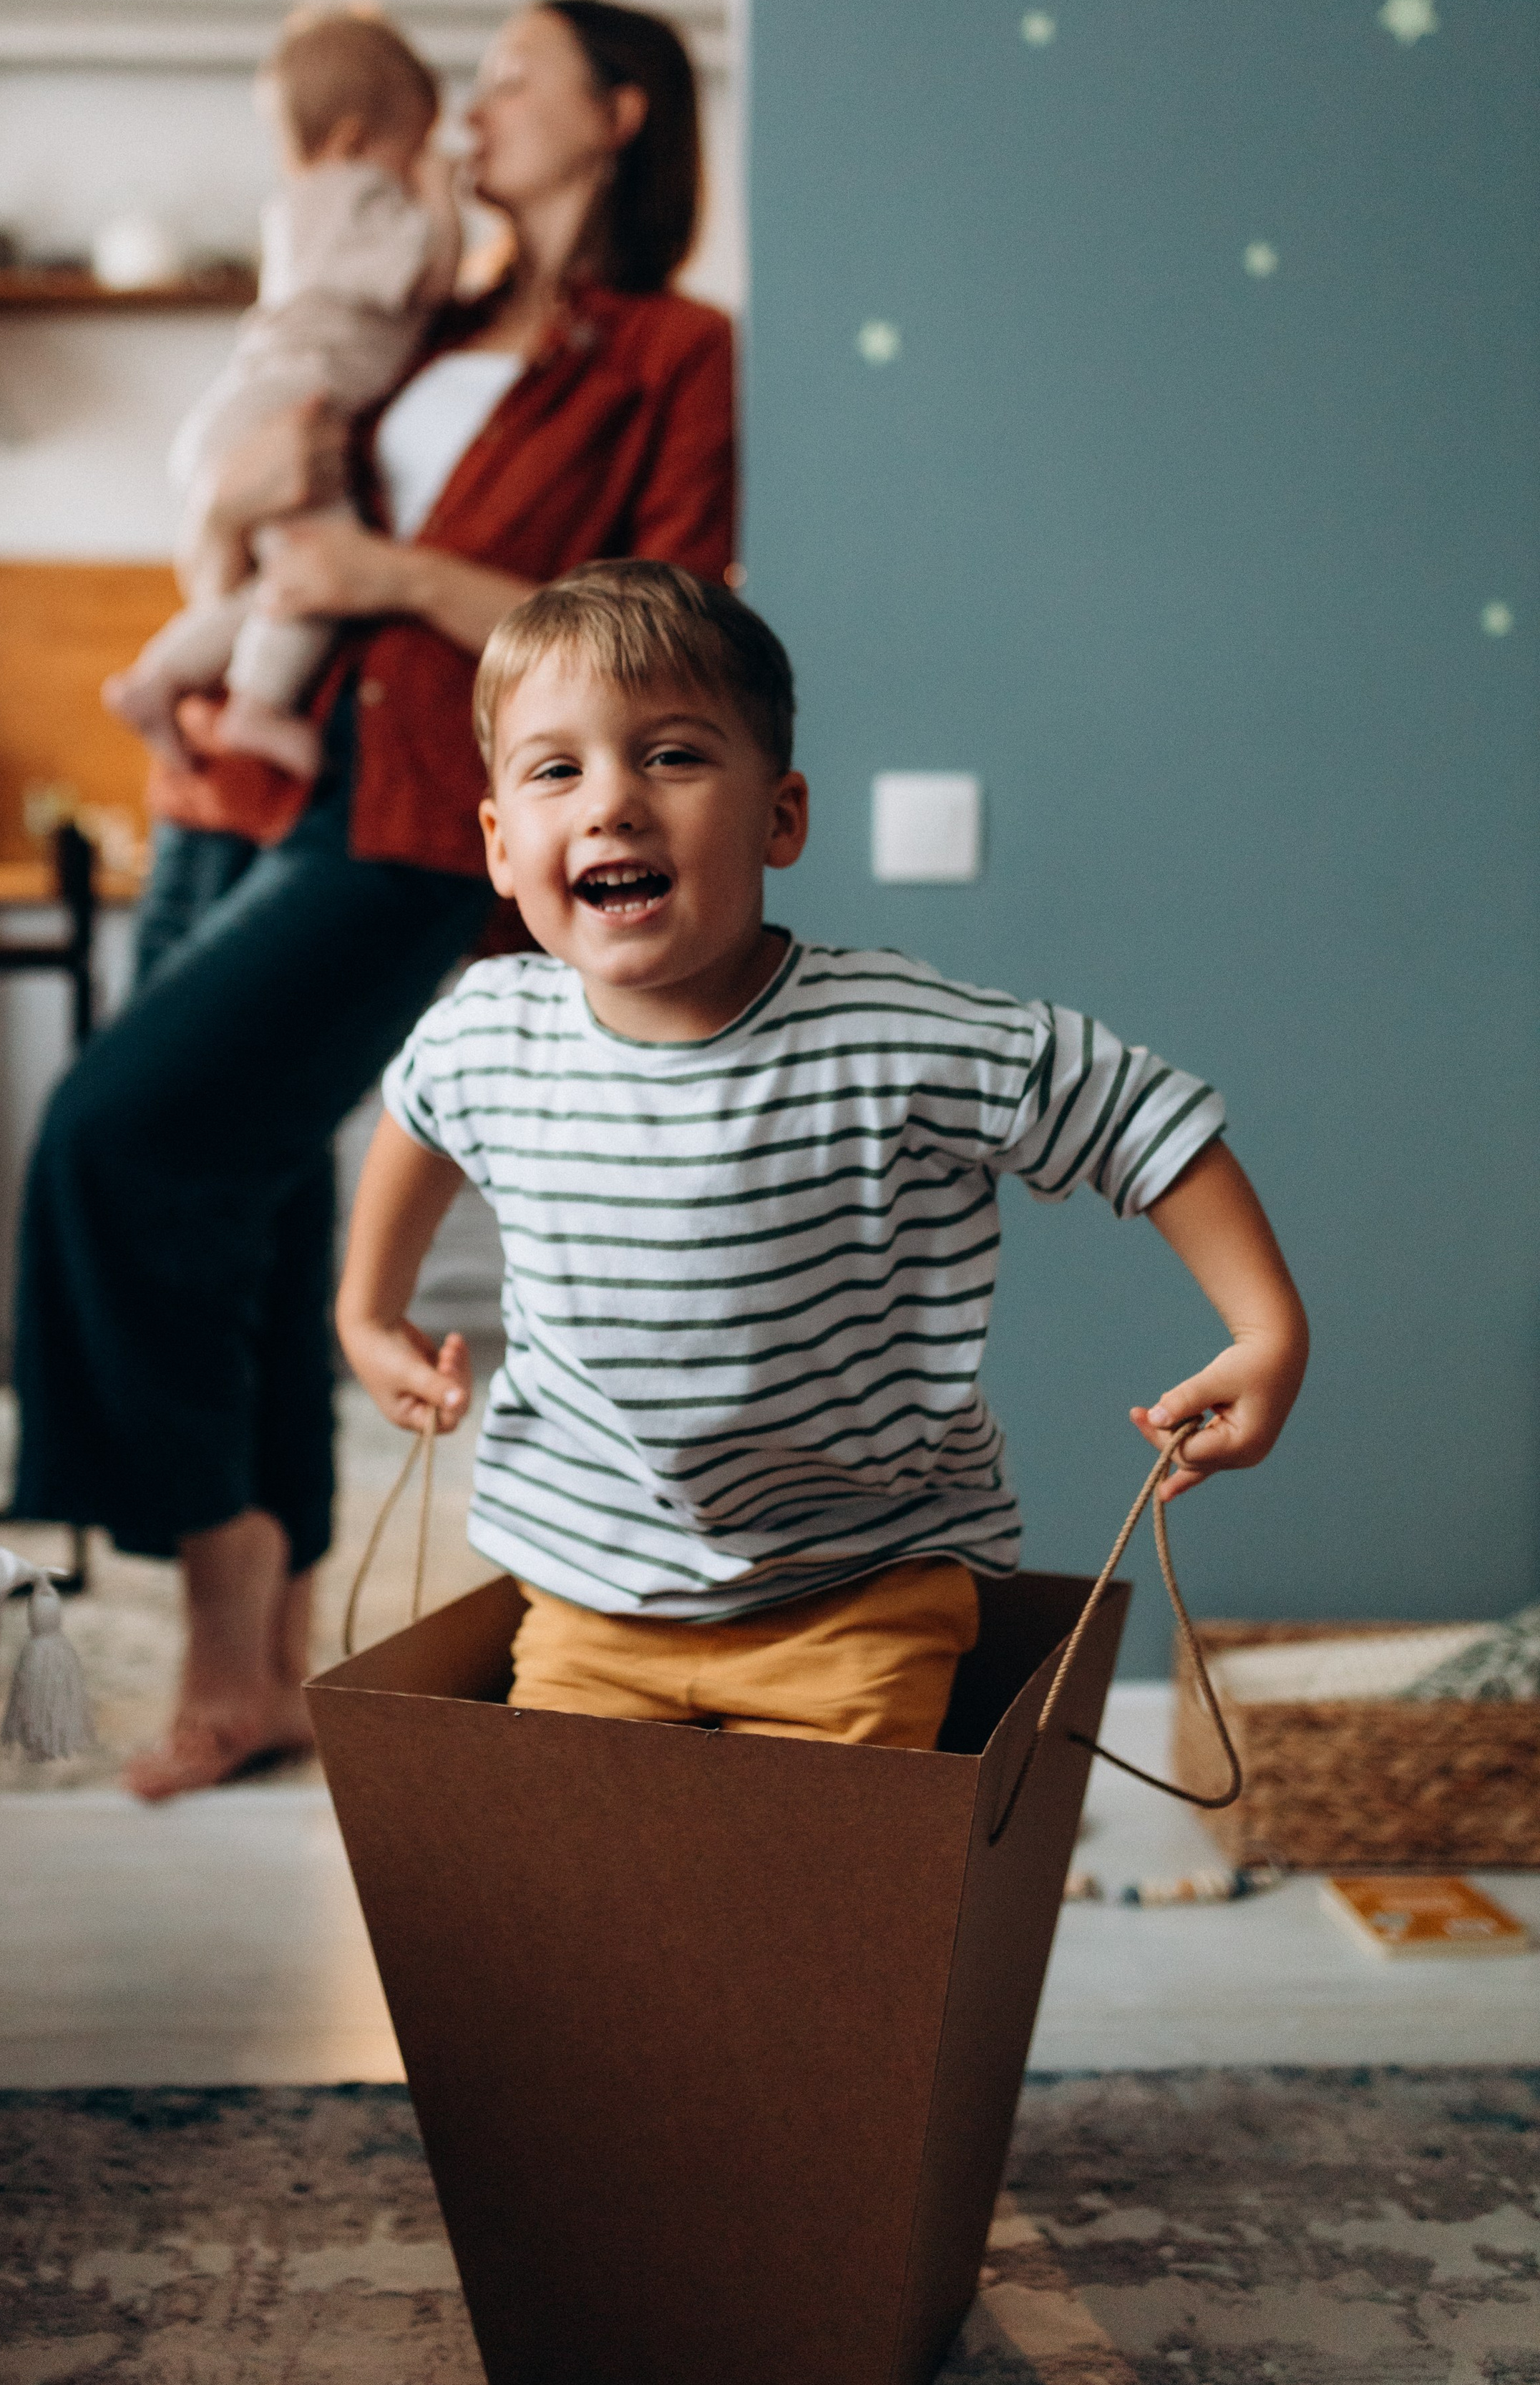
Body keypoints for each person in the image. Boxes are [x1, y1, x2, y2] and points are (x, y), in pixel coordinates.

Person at [12, 0, 735, 1799]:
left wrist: (396, 569)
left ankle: (221, 1625)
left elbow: (668, 639)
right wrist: (230, 541)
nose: (471, 100)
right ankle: (256, 1665)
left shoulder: (668, 348)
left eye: (511, 73)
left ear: (618, 113)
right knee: (239, 1193)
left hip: (417, 813)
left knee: (114, 1139)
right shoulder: (415, 319)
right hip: (233, 775)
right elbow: (259, 528)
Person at [337, 564, 1310, 1747]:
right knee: (585, 1909)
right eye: (557, 770)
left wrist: (1267, 1331)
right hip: (587, 1601)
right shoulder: (489, 1027)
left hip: (854, 1601)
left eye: (673, 756)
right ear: (500, 843)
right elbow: (418, 1114)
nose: (612, 804)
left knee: (816, 1918)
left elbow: (1136, 1113)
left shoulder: (893, 1036)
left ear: (781, 816)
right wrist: (367, 1312)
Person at [102, 7, 461, 779]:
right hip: (284, 407)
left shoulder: (312, 207)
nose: (417, 166)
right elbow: (431, 276)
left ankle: (156, 678)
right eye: (414, 147)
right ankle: (258, 707)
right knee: (319, 573)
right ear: (355, 142)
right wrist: (442, 195)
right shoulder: (353, 196)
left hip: (248, 409)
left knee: (271, 590)